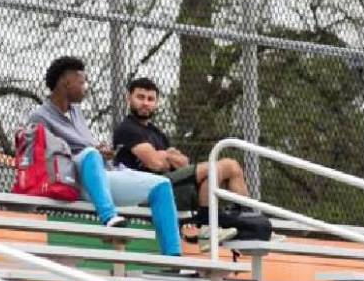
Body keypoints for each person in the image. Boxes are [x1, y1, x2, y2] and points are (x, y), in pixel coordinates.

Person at [26, 57, 183, 258]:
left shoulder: (76, 112)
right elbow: (38, 156)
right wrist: (89, 151)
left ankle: (173, 258)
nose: (86, 87)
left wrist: (100, 151)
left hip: (99, 174)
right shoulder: (39, 117)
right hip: (71, 179)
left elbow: (86, 147)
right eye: (82, 82)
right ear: (66, 82)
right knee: (89, 154)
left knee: (161, 185)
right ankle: (109, 217)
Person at [112, 78, 271, 250]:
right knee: (228, 165)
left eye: (150, 99)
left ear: (156, 102)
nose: (145, 103)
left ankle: (245, 224)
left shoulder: (156, 134)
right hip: (147, 191)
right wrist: (165, 156)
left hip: (169, 188)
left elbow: (183, 163)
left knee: (219, 172)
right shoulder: (127, 128)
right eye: (140, 97)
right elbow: (156, 163)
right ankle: (212, 223)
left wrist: (163, 156)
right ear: (129, 98)